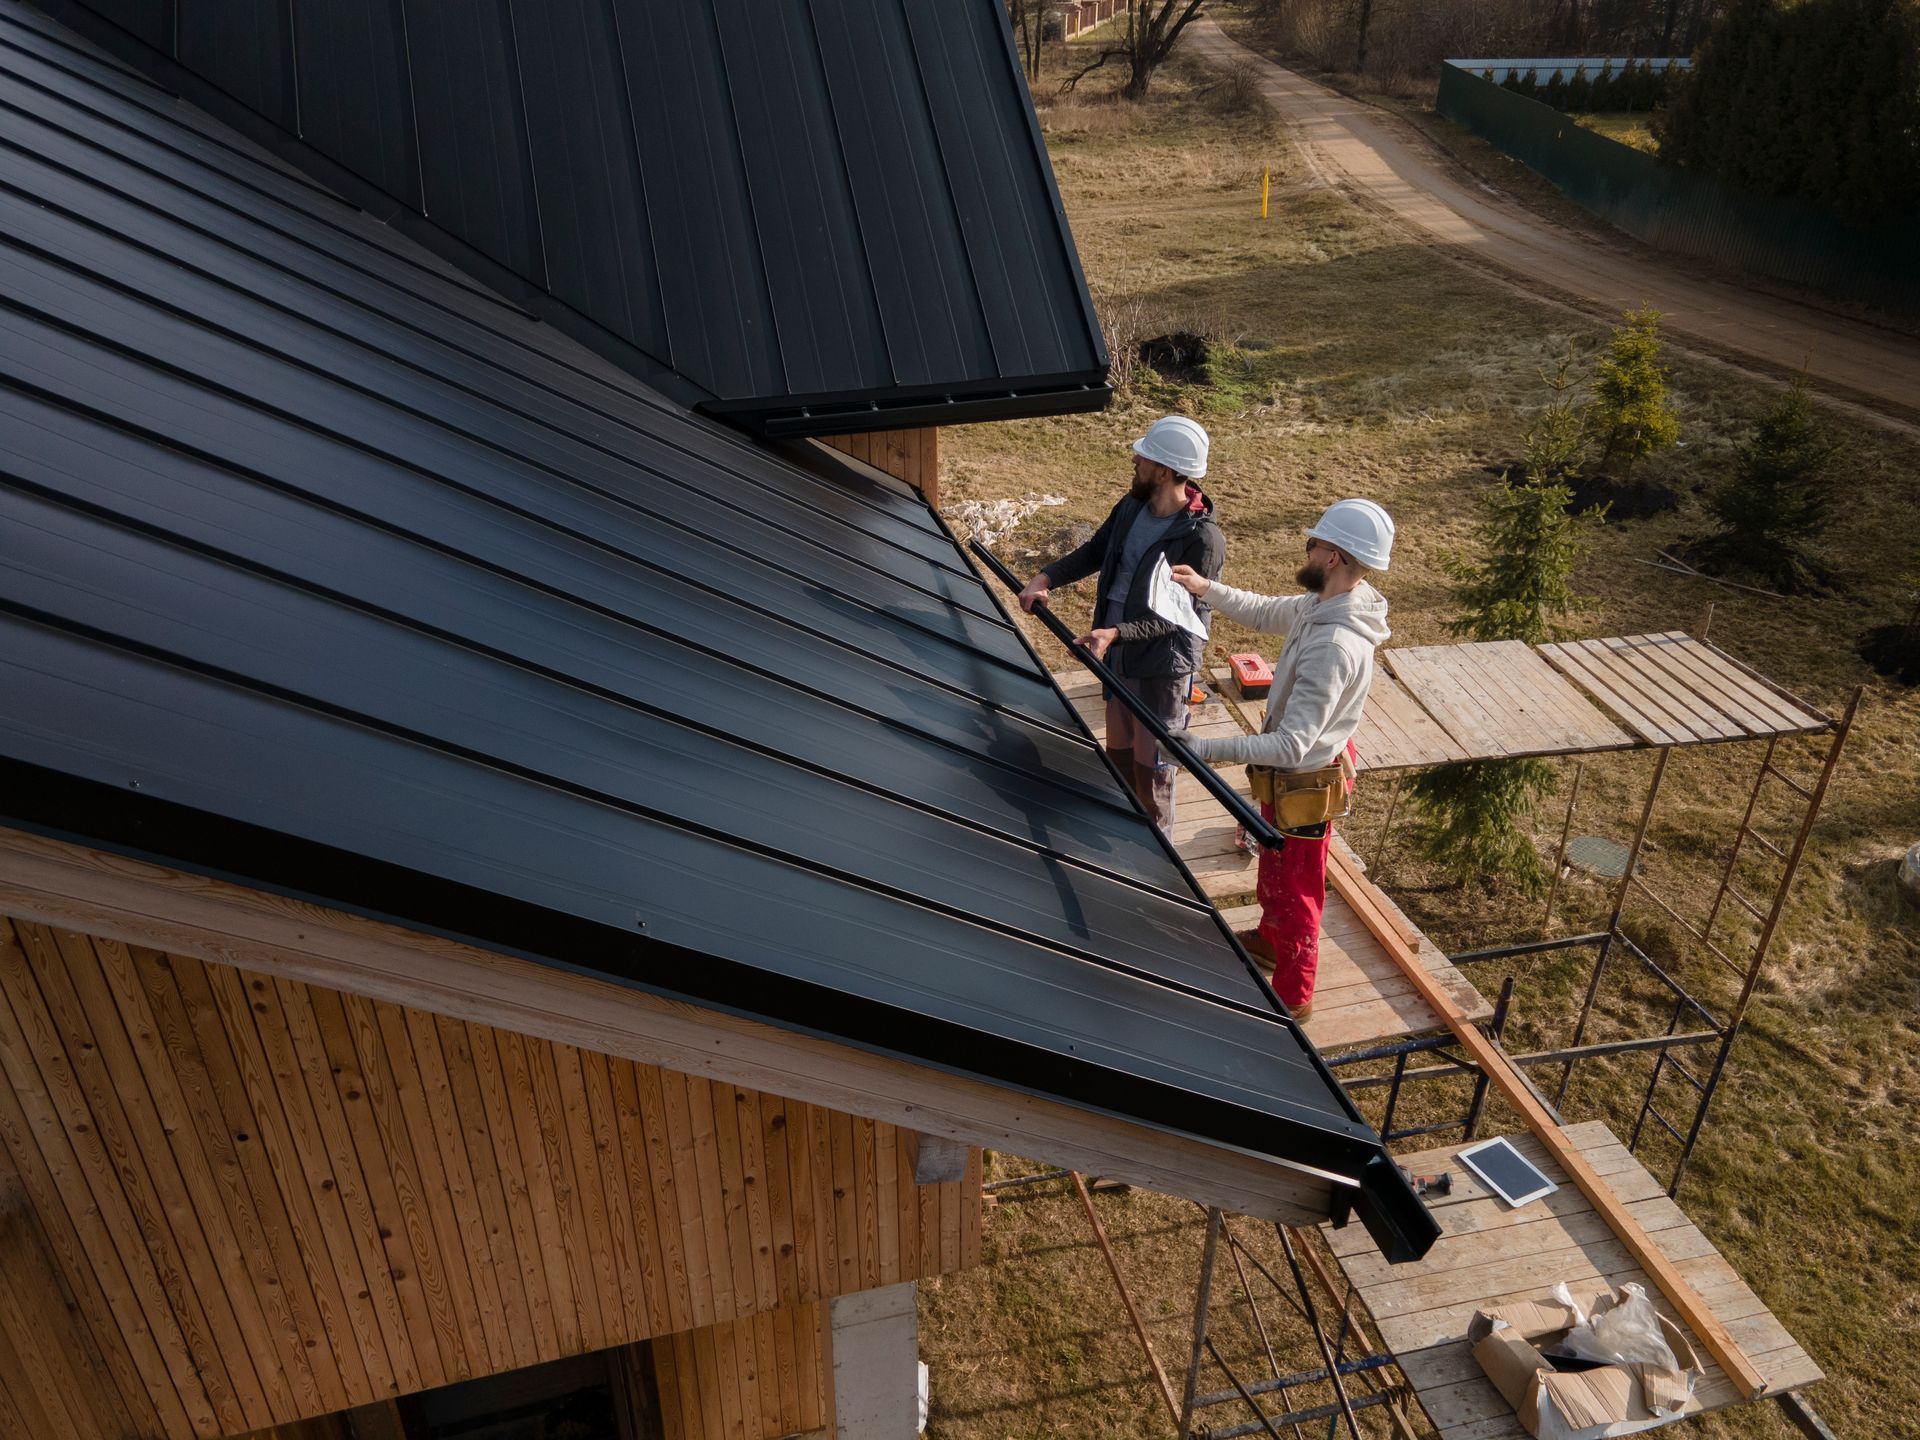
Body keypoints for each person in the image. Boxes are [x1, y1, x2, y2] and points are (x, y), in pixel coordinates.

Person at [1168, 498, 1394, 1020]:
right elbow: (1269, 610)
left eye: (1313, 543)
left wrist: (1203, 749)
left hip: (1305, 779)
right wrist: (1207, 589)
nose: (1307, 548)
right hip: (1292, 775)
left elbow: (1293, 744)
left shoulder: (1336, 644)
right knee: (1275, 865)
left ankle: (1294, 997)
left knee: (1298, 892)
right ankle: (1270, 943)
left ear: (1332, 556)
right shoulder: (1326, 603)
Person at [1017, 416, 1224, 833]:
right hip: (1117, 655)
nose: (1134, 460)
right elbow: (1096, 551)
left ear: (1164, 471)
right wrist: (1045, 578)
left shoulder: (1201, 539)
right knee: (1120, 759)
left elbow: (1176, 617)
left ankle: (1160, 866)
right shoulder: (1131, 507)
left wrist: (1116, 633)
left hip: (1162, 667)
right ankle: (1122, 839)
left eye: (1143, 457)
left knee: (1155, 771)